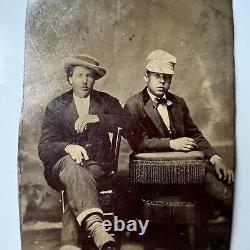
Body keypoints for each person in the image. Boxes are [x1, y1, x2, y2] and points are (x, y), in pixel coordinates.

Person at [124, 49, 234, 220]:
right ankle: (236, 211)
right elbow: (139, 143)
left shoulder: (178, 102)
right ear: (146, 76)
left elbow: (195, 134)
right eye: (157, 76)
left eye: (166, 77)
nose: (162, 82)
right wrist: (172, 144)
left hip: (186, 165)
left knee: (223, 173)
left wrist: (215, 157)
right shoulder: (134, 105)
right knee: (206, 176)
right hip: (154, 172)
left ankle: (231, 210)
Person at [38, 54, 126, 250]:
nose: (85, 81)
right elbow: (44, 148)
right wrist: (68, 148)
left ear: (95, 79)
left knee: (77, 184)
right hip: (61, 168)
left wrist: (97, 118)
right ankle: (97, 228)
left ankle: (70, 243)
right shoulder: (56, 106)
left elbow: (129, 124)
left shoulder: (107, 102)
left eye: (89, 75)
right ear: (70, 78)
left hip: (98, 167)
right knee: (72, 166)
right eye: (79, 75)